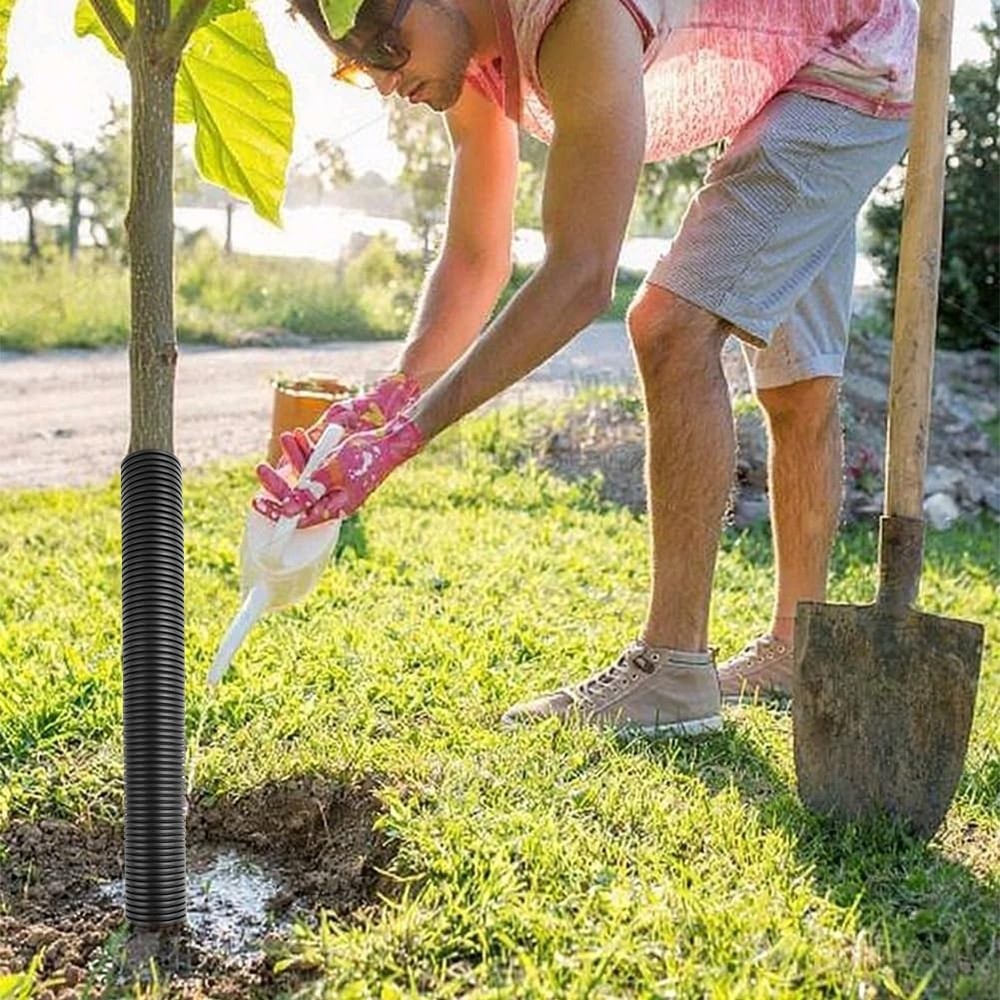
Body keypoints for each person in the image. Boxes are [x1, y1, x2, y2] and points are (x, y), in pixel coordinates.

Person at [254, 0, 915, 736]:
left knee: (672, 327)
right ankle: (794, 650)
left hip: (857, 54)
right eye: (356, 63)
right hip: (786, 72)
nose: (383, 80)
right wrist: (389, 398)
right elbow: (477, 258)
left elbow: (580, 275)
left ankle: (673, 670)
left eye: (383, 46)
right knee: (796, 383)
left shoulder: (574, 14)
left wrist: (411, 433)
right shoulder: (462, 56)